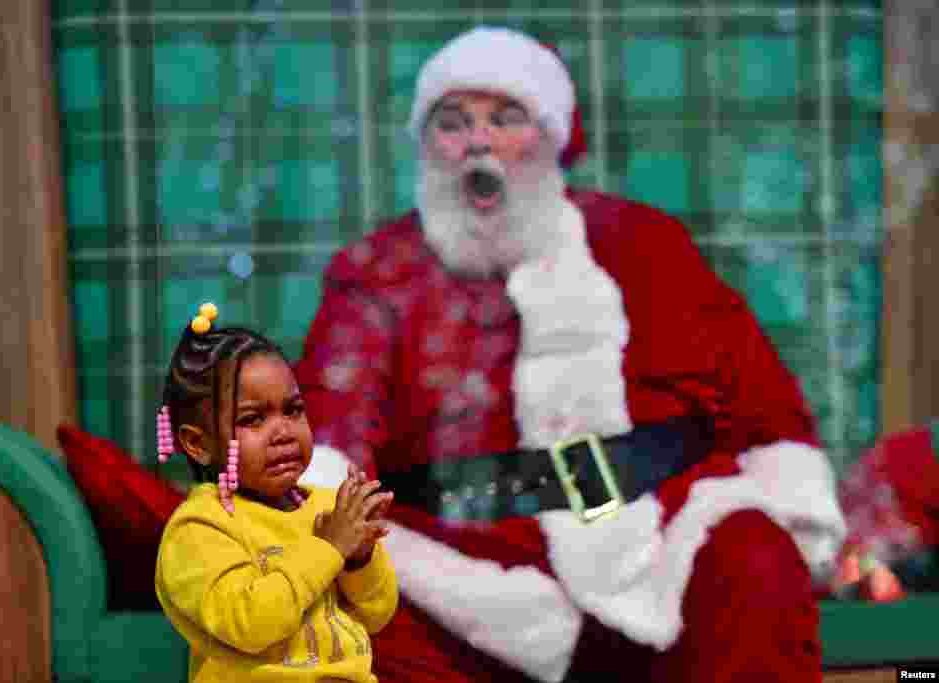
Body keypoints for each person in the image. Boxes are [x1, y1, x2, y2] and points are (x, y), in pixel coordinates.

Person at [294, 26, 848, 683]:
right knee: (337, 626)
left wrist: (796, 507)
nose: (479, 140)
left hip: (656, 537)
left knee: (752, 559)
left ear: (552, 139)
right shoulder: (377, 276)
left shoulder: (643, 246)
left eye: (507, 118)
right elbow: (333, 432)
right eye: (452, 122)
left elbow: (759, 402)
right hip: (458, 566)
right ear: (426, 148)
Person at [154, 303, 399, 683]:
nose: (283, 431)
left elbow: (377, 615)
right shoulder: (200, 528)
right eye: (253, 419)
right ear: (197, 444)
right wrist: (329, 549)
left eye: (293, 410)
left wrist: (359, 558)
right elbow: (250, 625)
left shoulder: (325, 506)